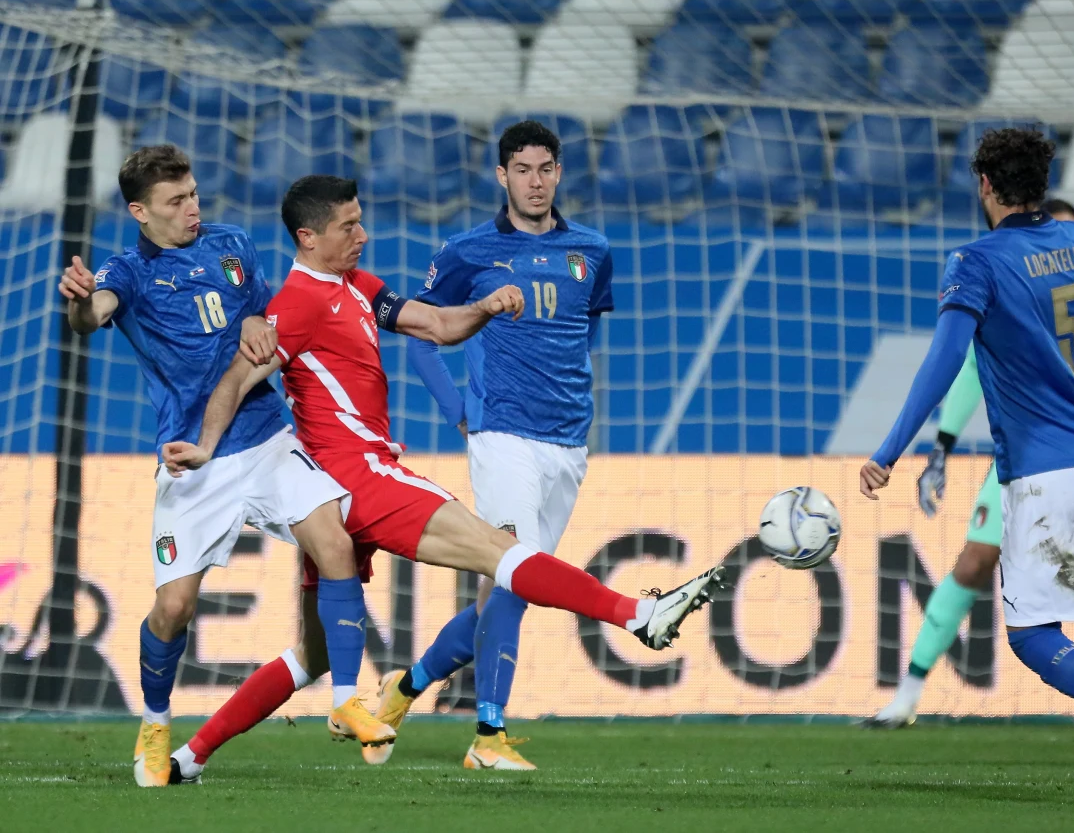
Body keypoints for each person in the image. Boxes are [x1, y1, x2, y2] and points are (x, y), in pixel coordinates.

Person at [161, 175, 724, 782]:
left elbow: (434, 325)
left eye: (360, 220)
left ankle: (189, 757)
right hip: (361, 476)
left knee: (316, 652)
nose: (362, 234)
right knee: (499, 551)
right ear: (308, 237)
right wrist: (207, 447)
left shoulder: (358, 286)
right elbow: (236, 380)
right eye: (348, 226)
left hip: (330, 493)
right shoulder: (296, 305)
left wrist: (483, 308)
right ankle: (636, 615)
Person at [859, 127, 1074, 809]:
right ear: (1042, 183)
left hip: (1046, 474)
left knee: (1033, 637)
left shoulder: (977, 261)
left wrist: (890, 450)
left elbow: (945, 360)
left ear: (985, 185)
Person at [57, 147, 391, 788]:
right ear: (140, 211)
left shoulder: (233, 243)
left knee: (335, 541)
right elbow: (92, 316)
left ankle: (346, 698)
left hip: (265, 437)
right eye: (175, 201)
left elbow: (269, 311)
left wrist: (260, 321)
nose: (192, 208)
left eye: (193, 194)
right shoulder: (128, 271)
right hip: (193, 458)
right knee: (174, 608)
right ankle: (156, 723)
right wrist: (78, 303)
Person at [377, 120, 613, 771]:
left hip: (569, 441)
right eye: (523, 170)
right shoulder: (468, 250)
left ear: (559, 173)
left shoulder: (592, 250)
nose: (536, 182)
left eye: (546, 169)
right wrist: (460, 412)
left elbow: (582, 333)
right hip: (502, 434)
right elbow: (421, 336)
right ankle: (488, 735)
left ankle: (404, 688)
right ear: (502, 176)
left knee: (508, 591)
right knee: (513, 572)